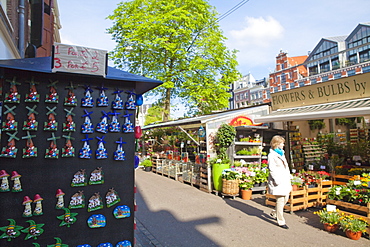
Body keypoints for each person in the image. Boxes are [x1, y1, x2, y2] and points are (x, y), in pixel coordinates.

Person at [267, 135, 291, 229]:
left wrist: (289, 175)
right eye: (282, 143)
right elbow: (272, 169)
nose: (283, 145)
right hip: (278, 181)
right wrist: (277, 180)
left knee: (286, 198)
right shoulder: (271, 155)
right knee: (280, 200)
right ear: (276, 143)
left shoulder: (281, 153)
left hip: (285, 179)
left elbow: (286, 166)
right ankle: (281, 221)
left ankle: (275, 212)